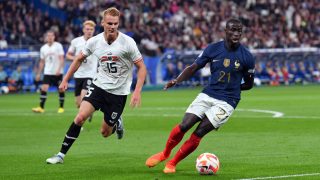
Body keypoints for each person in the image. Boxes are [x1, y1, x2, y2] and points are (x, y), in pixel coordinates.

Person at [145, 19, 255, 173]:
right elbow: (194, 67)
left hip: (228, 101)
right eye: (233, 30)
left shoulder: (247, 57)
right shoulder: (213, 49)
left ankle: (172, 163)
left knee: (199, 132)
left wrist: (232, 89)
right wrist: (177, 80)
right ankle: (165, 153)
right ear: (225, 30)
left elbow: (249, 84)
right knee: (184, 125)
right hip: (208, 94)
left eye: (239, 31)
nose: (236, 34)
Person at [46, 7, 147, 164]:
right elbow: (78, 59)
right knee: (80, 117)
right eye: (109, 23)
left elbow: (142, 67)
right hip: (99, 86)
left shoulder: (128, 43)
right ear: (102, 23)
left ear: (118, 23)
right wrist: (65, 79)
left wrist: (137, 91)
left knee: (105, 132)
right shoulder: (94, 42)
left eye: (115, 23)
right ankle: (60, 155)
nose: (112, 26)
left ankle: (117, 122)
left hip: (118, 93)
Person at [32, 31, 65, 113]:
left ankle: (61, 107)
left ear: (54, 37)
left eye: (51, 36)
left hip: (58, 72)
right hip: (48, 72)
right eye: (48, 36)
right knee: (44, 88)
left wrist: (59, 69)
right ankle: (41, 107)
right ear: (46, 37)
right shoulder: (43, 48)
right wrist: (39, 73)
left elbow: (61, 59)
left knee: (61, 89)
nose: (50, 37)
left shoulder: (58, 46)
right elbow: (42, 62)